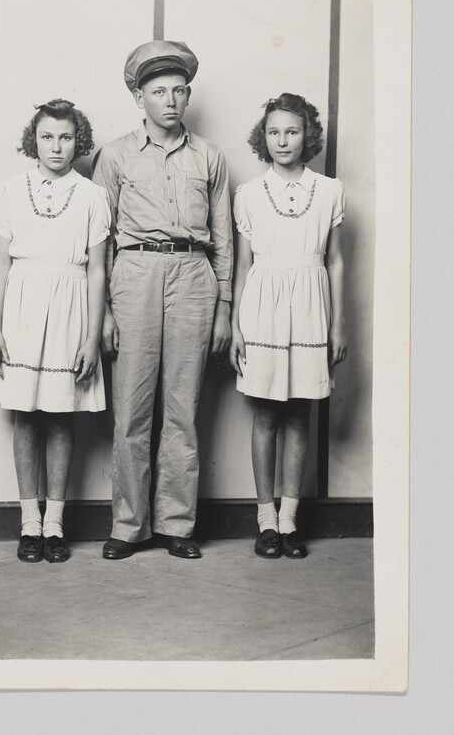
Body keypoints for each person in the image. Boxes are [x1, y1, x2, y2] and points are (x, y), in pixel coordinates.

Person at [93, 41, 233, 560]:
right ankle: (128, 526)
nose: (170, 100)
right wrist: (105, 310)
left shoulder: (209, 156)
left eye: (178, 90)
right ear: (139, 98)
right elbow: (100, 238)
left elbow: (223, 237)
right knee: (131, 409)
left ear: (188, 95)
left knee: (183, 407)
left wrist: (224, 308)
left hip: (194, 276)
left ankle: (176, 524)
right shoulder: (115, 156)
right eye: (158, 91)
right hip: (134, 275)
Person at [0, 99, 110, 563]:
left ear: (79, 142)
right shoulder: (11, 190)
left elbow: (97, 270)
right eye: (47, 137)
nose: (56, 147)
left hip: (70, 308)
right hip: (22, 308)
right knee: (26, 415)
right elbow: (0, 263)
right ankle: (29, 523)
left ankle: (55, 523)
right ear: (33, 141)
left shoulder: (93, 196)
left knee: (60, 416)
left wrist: (91, 337)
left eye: (65, 137)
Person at [229, 93, 347, 559]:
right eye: (274, 132)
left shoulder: (331, 190)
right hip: (263, 307)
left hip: (311, 307)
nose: (282, 141)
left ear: (307, 136)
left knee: (299, 415)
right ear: (264, 137)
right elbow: (242, 266)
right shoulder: (248, 194)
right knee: (265, 415)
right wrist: (237, 326)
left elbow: (335, 261)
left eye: (292, 131)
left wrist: (338, 325)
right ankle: (266, 520)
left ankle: (290, 519)